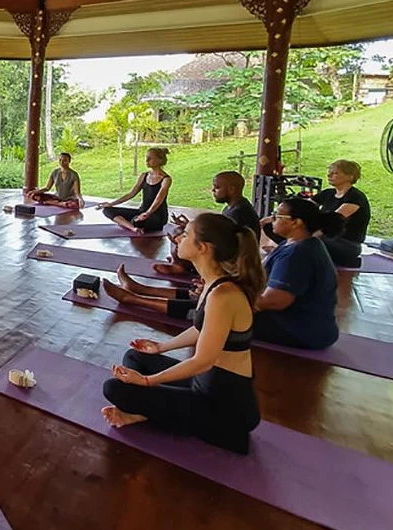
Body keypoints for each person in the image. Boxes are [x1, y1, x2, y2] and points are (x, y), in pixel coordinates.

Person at [100, 213, 263, 455]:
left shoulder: (223, 295)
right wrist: (161, 347)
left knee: (114, 388)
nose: (179, 237)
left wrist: (147, 381)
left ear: (203, 248)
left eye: (186, 235)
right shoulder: (213, 283)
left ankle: (145, 413)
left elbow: (203, 360)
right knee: (136, 358)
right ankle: (144, 412)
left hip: (226, 407)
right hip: (203, 383)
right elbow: (200, 329)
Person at [104, 197, 341, 350]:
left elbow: (275, 302)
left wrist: (228, 298)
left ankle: (133, 299)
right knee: (211, 293)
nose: (271, 219)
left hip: (300, 329)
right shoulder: (296, 244)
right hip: (299, 323)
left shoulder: (299, 254)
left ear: (297, 223)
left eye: (279, 216)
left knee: (212, 309)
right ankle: (140, 290)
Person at [262, 160, 369, 268]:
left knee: (309, 241)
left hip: (345, 243)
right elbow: (304, 208)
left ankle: (289, 250)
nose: (329, 175)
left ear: (350, 177)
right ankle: (289, 249)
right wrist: (275, 217)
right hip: (324, 237)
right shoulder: (328, 193)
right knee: (272, 227)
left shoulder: (355, 197)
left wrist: (308, 236)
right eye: (329, 172)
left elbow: (332, 221)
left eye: (335, 173)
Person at [154, 171, 261, 277]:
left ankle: (181, 265)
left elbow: (219, 239)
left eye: (217, 187)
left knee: (178, 233)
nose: (213, 190)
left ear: (231, 189)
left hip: (231, 259)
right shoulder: (235, 206)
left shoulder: (238, 212)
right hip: (227, 252)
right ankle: (180, 260)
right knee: (182, 231)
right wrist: (189, 225)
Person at [96, 147, 171, 233]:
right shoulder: (144, 175)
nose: (146, 160)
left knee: (137, 221)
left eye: (150, 158)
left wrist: (148, 213)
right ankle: (133, 228)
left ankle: (133, 223)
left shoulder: (166, 179)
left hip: (157, 216)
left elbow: (159, 199)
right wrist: (111, 204)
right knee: (107, 210)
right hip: (141, 212)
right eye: (146, 157)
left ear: (159, 160)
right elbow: (131, 193)